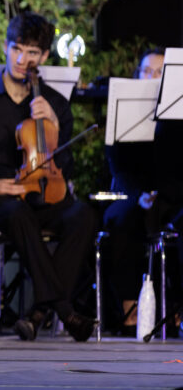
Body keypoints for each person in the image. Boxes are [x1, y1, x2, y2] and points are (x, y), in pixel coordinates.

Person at [0, 12, 98, 342]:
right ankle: (65, 311)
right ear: (5, 47)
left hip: (42, 193)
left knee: (83, 215)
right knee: (16, 211)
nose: (21, 59)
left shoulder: (55, 103)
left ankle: (38, 311)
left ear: (43, 57)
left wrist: (55, 125)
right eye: (16, 48)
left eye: (31, 52)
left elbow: (65, 169)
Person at [101, 48, 183, 331]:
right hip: (135, 194)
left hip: (172, 196)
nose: (152, 77)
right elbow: (118, 168)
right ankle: (129, 309)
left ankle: (177, 308)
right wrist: (140, 196)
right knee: (122, 219)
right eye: (146, 71)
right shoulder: (124, 109)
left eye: (160, 73)